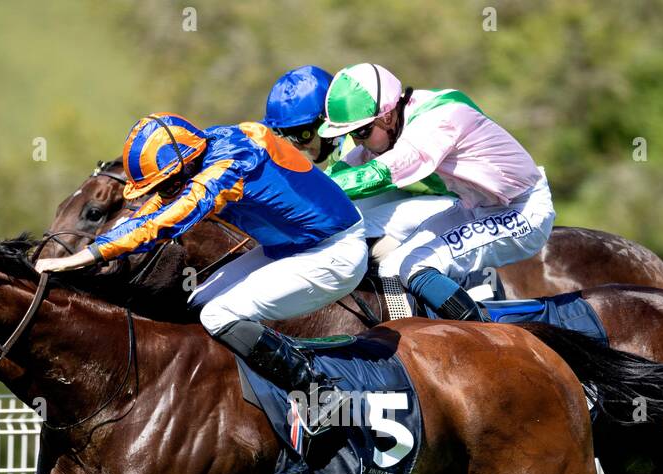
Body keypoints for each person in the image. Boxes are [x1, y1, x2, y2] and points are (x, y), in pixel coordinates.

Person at [34, 113, 366, 446]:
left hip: (333, 251)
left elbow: (160, 223)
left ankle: (321, 393)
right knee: (198, 305)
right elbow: (151, 212)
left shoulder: (229, 166)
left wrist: (85, 256)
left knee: (218, 315)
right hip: (287, 248)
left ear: (185, 165)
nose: (163, 194)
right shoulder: (199, 151)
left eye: (166, 185)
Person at [317, 63, 556, 321]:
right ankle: (407, 328)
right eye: (353, 134)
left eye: (361, 131)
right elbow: (337, 173)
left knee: (416, 265)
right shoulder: (393, 124)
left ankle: (487, 343)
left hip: (523, 210)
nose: (358, 141)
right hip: (476, 209)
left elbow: (379, 174)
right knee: (391, 267)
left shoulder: (437, 120)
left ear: (386, 117)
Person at [265, 65, 459, 263]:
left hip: (457, 205)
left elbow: (338, 189)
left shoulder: (355, 142)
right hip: (418, 203)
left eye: (302, 135)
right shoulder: (349, 145)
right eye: (285, 136)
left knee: (359, 242)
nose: (297, 147)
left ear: (326, 120)